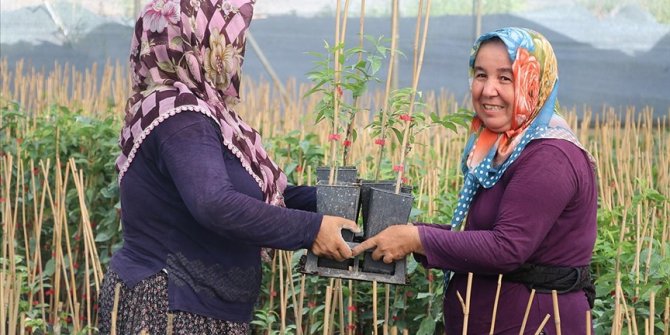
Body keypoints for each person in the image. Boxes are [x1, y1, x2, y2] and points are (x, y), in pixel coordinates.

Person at [97, 0, 359, 334]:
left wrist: (337, 201)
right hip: (169, 311)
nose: (234, 55)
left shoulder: (203, 113)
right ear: (196, 43)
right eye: (226, 42)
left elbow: (258, 195)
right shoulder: (181, 117)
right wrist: (311, 230)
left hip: (196, 308)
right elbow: (214, 203)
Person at [352, 27, 597, 334]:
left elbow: (507, 247)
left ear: (534, 82)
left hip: (537, 323)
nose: (487, 90)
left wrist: (417, 238)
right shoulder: (505, 148)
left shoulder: (549, 156)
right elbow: (482, 235)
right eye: (481, 75)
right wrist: (411, 235)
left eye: (505, 78)